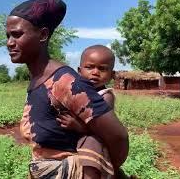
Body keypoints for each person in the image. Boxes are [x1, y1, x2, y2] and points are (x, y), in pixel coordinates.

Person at [6, 0, 129, 178]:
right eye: (8, 36)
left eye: (17, 35)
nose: (9, 42)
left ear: (42, 35)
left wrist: (106, 170)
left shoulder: (65, 82)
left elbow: (118, 137)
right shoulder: (38, 80)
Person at [57, 45, 133, 178]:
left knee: (91, 144)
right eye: (89, 67)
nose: (95, 72)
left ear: (112, 75)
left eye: (102, 69)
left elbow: (101, 129)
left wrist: (79, 127)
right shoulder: (76, 93)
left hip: (96, 140)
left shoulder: (105, 96)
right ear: (79, 71)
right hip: (73, 142)